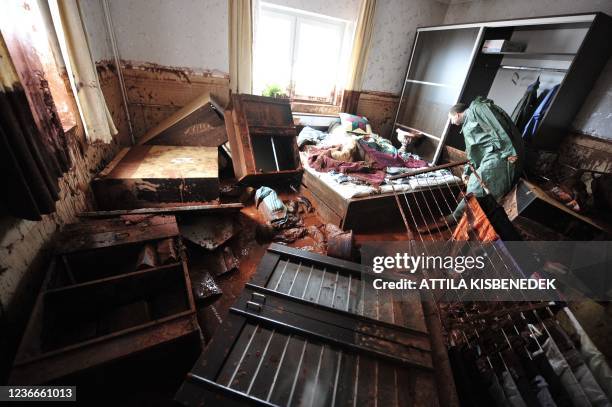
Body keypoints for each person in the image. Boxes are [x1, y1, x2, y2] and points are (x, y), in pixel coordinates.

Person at [420, 96, 524, 232]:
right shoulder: (468, 124)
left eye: (451, 118)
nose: (451, 122)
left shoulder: (477, 108)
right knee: (479, 188)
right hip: (492, 157)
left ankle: (454, 217)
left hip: (501, 156)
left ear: (457, 114)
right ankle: (471, 222)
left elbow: (498, 127)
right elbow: (473, 153)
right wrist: (467, 172)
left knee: (476, 186)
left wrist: (510, 151)